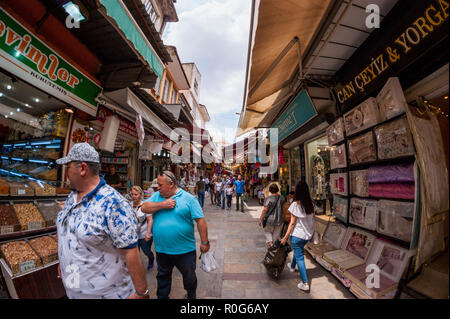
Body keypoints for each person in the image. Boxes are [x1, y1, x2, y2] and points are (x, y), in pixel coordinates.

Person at [55, 143, 149, 299]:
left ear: (82, 168)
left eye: (68, 167)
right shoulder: (72, 196)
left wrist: (141, 292)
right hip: (74, 289)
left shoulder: (113, 204)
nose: (66, 173)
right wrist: (64, 261)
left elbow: (131, 251)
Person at [140, 170, 210, 299]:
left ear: (171, 184)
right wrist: (163, 204)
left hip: (185, 250)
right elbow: (144, 207)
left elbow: (200, 220)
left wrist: (205, 242)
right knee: (162, 277)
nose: (158, 187)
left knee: (189, 276)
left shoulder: (188, 198)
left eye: (160, 185)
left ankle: (190, 294)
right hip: (162, 250)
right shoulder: (157, 196)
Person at [281, 181, 315, 292]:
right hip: (307, 236)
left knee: (300, 257)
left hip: (297, 235)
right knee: (298, 251)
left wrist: (285, 237)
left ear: (297, 191)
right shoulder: (311, 204)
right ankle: (292, 267)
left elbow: (292, 223)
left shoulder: (295, 205)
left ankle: (305, 283)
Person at [131, 186, 154, 271]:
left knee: (146, 251)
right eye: (132, 194)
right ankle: (137, 268)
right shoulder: (129, 205)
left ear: (141, 195)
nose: (133, 196)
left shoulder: (145, 205)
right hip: (134, 235)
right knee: (135, 253)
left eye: (136, 194)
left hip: (144, 234)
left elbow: (150, 219)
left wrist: (148, 233)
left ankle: (151, 259)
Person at [258, 183, 285, 248]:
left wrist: (261, 219)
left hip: (269, 220)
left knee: (267, 231)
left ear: (270, 190)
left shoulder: (268, 198)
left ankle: (271, 244)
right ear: (277, 189)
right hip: (279, 219)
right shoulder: (282, 198)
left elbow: (265, 210)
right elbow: (283, 208)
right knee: (276, 234)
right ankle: (273, 246)